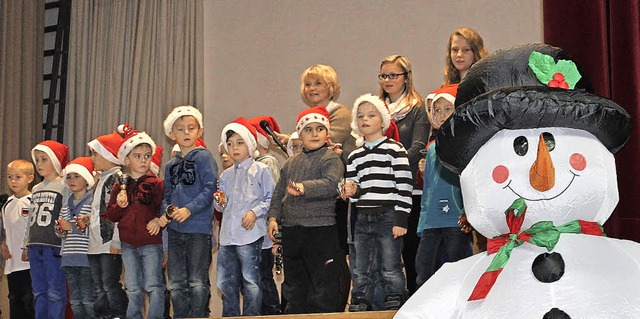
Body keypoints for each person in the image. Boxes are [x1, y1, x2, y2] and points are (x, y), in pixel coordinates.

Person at [267, 106, 344, 314]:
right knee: (293, 284)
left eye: (320, 128)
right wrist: (273, 217)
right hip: (293, 231)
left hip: (321, 230)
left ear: (327, 133)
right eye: (308, 130)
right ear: (299, 135)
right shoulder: (291, 162)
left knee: (322, 284)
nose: (315, 133)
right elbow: (278, 193)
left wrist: (304, 187)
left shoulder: (331, 158)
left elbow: (332, 183)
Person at [343, 94, 413, 311]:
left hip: (388, 214)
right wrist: (351, 190)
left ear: (383, 121)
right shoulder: (355, 156)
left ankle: (395, 295)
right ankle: (361, 298)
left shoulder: (395, 149)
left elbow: (404, 184)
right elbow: (355, 189)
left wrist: (401, 218)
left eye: (371, 115)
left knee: (390, 262)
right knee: (361, 264)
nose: (365, 119)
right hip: (363, 215)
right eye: (361, 116)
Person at [213, 117, 275, 316]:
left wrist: (254, 213)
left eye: (240, 143)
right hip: (227, 237)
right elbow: (221, 208)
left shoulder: (261, 170)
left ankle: (251, 315)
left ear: (249, 144)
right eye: (230, 144)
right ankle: (230, 315)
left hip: (249, 235)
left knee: (251, 281)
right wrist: (219, 202)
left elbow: (270, 199)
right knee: (225, 281)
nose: (234, 148)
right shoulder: (225, 175)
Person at [377, 55, 428, 295]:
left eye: (393, 75)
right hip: (381, 192)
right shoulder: (375, 108)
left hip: (409, 190)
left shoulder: (418, 107)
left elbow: (418, 147)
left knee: (410, 251)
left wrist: (389, 166)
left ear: (406, 77)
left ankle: (414, 299)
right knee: (384, 254)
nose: (388, 80)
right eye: (384, 75)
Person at [162, 105, 217, 318]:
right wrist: (168, 210)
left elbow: (210, 188)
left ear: (199, 131)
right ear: (171, 134)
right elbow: (166, 194)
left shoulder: (204, 157)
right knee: (176, 283)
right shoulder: (170, 166)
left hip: (198, 229)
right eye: (180, 129)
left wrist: (189, 210)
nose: (186, 133)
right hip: (175, 231)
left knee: (197, 281)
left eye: (191, 128)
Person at [415, 84, 472, 289]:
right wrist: (423, 222)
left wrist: (468, 214)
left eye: (448, 109)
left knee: (455, 266)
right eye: (437, 110)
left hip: (455, 219)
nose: (441, 115)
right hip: (432, 221)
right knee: (424, 268)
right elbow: (427, 188)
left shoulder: (466, 146)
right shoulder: (431, 149)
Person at [107, 124, 166, 319]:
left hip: (151, 242)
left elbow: (165, 208)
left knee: (153, 285)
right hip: (128, 244)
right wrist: (120, 205)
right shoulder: (119, 185)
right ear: (126, 159)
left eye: (147, 156)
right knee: (132, 286)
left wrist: (159, 220)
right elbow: (112, 215)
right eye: (137, 156)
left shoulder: (156, 184)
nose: (143, 160)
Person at [442, 27, 489, 253]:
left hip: (478, 160)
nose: (459, 55)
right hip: (454, 163)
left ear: (476, 52)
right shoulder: (444, 90)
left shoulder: (483, 86)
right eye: (454, 50)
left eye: (466, 50)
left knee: (481, 226)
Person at [22, 140, 70, 318]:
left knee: (55, 291)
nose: (39, 164)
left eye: (44, 159)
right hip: (35, 245)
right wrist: (25, 244)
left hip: (54, 246)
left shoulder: (64, 186)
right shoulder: (35, 189)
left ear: (56, 161)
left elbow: (66, 215)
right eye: (37, 160)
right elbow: (30, 219)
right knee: (38, 291)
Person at [87, 130, 129, 319]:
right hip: (95, 243)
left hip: (108, 242)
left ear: (108, 155)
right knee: (98, 286)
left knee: (110, 284)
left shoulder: (117, 179)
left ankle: (118, 315)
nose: (92, 158)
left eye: (95, 153)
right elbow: (98, 209)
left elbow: (120, 212)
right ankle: (102, 315)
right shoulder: (99, 179)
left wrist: (116, 241)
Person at [248, 115, 282, 315]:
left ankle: (271, 313)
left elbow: (273, 197)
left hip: (264, 231)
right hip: (256, 232)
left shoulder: (267, 163)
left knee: (263, 277)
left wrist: (276, 235)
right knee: (257, 277)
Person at [58, 157, 96, 319]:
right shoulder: (67, 203)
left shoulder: (92, 201)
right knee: (74, 301)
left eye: (77, 176)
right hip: (69, 258)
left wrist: (71, 226)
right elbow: (61, 232)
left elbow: (93, 227)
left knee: (88, 300)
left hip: (86, 257)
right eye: (69, 176)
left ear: (87, 178)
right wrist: (60, 228)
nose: (72, 180)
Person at [1, 159, 36, 319]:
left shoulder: (32, 201)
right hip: (12, 262)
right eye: (9, 177)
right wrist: (3, 243)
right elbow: (7, 228)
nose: (13, 181)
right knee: (14, 299)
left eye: (18, 177)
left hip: (29, 262)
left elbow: (35, 229)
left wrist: (28, 247)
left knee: (29, 300)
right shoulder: (7, 203)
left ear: (30, 178)